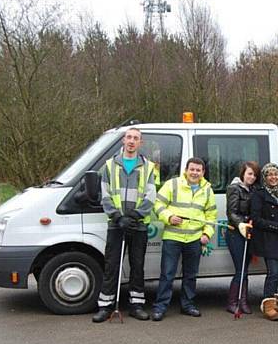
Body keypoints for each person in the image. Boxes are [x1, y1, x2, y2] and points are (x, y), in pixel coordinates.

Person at [93, 127, 156, 323]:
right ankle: (105, 306)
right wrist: (118, 217)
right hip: (116, 224)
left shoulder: (148, 167)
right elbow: (105, 195)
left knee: (138, 265)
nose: (131, 141)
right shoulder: (110, 165)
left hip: (138, 225)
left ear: (140, 143)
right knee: (112, 265)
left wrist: (136, 215)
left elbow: (151, 195)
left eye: (135, 138)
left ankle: (136, 305)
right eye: (128, 137)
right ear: (123, 141)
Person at [150, 157, 217, 321]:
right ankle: (160, 307)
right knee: (167, 274)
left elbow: (211, 216)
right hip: (172, 236)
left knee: (191, 275)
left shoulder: (207, 190)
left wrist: (207, 234)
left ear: (203, 173)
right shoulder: (172, 184)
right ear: (186, 170)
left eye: (198, 170)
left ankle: (188, 305)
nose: (194, 173)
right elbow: (157, 204)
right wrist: (169, 216)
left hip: (195, 238)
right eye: (192, 169)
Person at [250, 163, 278, 321]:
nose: (273, 177)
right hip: (269, 238)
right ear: (264, 177)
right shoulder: (259, 194)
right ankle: (267, 305)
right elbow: (256, 219)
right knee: (273, 273)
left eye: (276, 174)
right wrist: (277, 227)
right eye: (269, 175)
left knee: (277, 273)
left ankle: (272, 302)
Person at [225, 161, 260, 315]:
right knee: (241, 269)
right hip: (235, 233)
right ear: (243, 174)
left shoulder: (253, 190)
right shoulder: (234, 188)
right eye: (249, 174)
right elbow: (231, 213)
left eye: (254, 175)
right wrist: (241, 224)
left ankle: (243, 301)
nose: (252, 177)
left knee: (245, 269)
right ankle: (233, 302)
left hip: (248, 232)